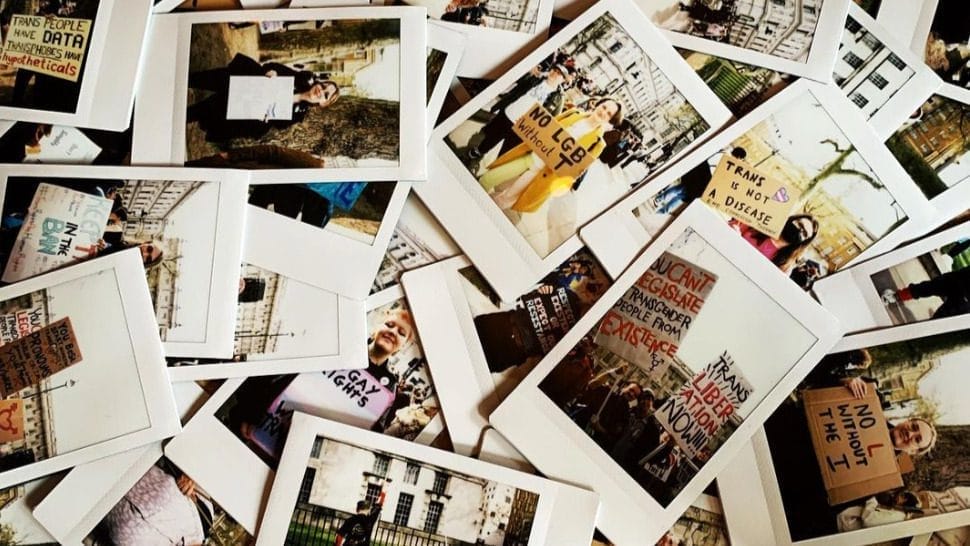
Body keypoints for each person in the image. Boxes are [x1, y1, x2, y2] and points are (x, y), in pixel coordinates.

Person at [481, 97, 623, 213]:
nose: (603, 112)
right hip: (530, 157)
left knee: (506, 198)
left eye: (609, 114)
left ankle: (480, 211)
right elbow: (546, 128)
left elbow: (577, 169)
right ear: (598, 104)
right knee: (487, 179)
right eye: (604, 107)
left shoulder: (598, 143)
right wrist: (527, 126)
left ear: (610, 121)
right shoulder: (573, 113)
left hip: (542, 173)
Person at [186, 53, 340, 144]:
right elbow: (272, 66)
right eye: (324, 86)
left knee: (196, 112)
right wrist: (271, 72)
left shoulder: (298, 114)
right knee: (195, 79)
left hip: (239, 104)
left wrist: (266, 118)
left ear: (323, 103)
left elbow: (276, 124)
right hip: (240, 82)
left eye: (326, 94)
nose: (321, 91)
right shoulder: (299, 78)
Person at [466, 64, 572, 162]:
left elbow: (553, 119)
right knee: (492, 137)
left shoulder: (559, 98)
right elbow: (517, 85)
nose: (555, 74)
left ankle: (496, 168)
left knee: (507, 152)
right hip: (509, 113)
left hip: (523, 127)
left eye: (559, 74)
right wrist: (529, 72)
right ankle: (480, 151)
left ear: (562, 80)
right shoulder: (536, 78)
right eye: (554, 70)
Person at [95, 462, 213, 545]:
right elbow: (181, 449)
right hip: (125, 454)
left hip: (91, 491)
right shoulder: (205, 515)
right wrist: (189, 474)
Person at [730, 213, 819, 272]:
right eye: (799, 224)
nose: (799, 230)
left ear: (804, 242)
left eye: (804, 233)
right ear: (792, 219)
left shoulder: (785, 266)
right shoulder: (758, 225)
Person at [880, 267, 970, 319]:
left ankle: (895, 297)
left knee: (929, 287)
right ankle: (896, 296)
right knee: (943, 316)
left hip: (961, 280)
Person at [367, 308, 415, 391]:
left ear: (403, 346)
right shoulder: (349, 347)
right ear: (377, 327)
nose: (393, 332)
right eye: (389, 325)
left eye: (402, 333)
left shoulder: (389, 386)